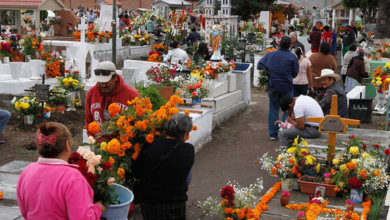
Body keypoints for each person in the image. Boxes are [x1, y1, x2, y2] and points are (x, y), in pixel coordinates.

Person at [17, 122, 105, 219]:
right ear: (67, 145)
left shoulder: (27, 171)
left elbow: (25, 212)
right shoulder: (73, 178)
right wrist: (98, 209)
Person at [132, 113, 194, 220]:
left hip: (149, 202)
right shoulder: (188, 150)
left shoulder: (150, 147)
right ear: (185, 134)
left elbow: (136, 171)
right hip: (175, 203)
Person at [257, 36, 299, 140]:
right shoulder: (292, 57)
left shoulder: (271, 54)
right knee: (288, 109)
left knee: (273, 109)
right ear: (290, 45)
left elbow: (259, 65)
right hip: (287, 87)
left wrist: (269, 69)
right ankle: (284, 130)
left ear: (279, 44)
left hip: (273, 86)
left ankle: (272, 133)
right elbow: (295, 73)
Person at [85, 61, 139, 136]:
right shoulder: (91, 93)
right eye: (100, 82)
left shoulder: (132, 95)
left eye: (106, 81)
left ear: (115, 77)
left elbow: (139, 126)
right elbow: (88, 122)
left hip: (123, 144)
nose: (103, 85)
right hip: (98, 144)